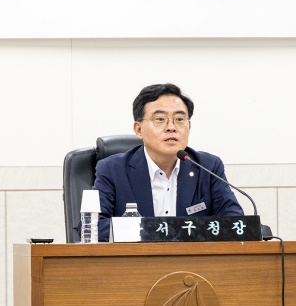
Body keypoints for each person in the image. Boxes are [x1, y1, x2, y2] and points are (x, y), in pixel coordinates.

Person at [93, 83, 244, 241]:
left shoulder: (208, 167)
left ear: (189, 127)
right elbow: (93, 227)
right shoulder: (112, 170)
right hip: (136, 257)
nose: (171, 127)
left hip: (190, 257)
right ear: (139, 129)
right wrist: (158, 231)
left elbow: (235, 222)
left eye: (179, 119)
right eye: (160, 119)